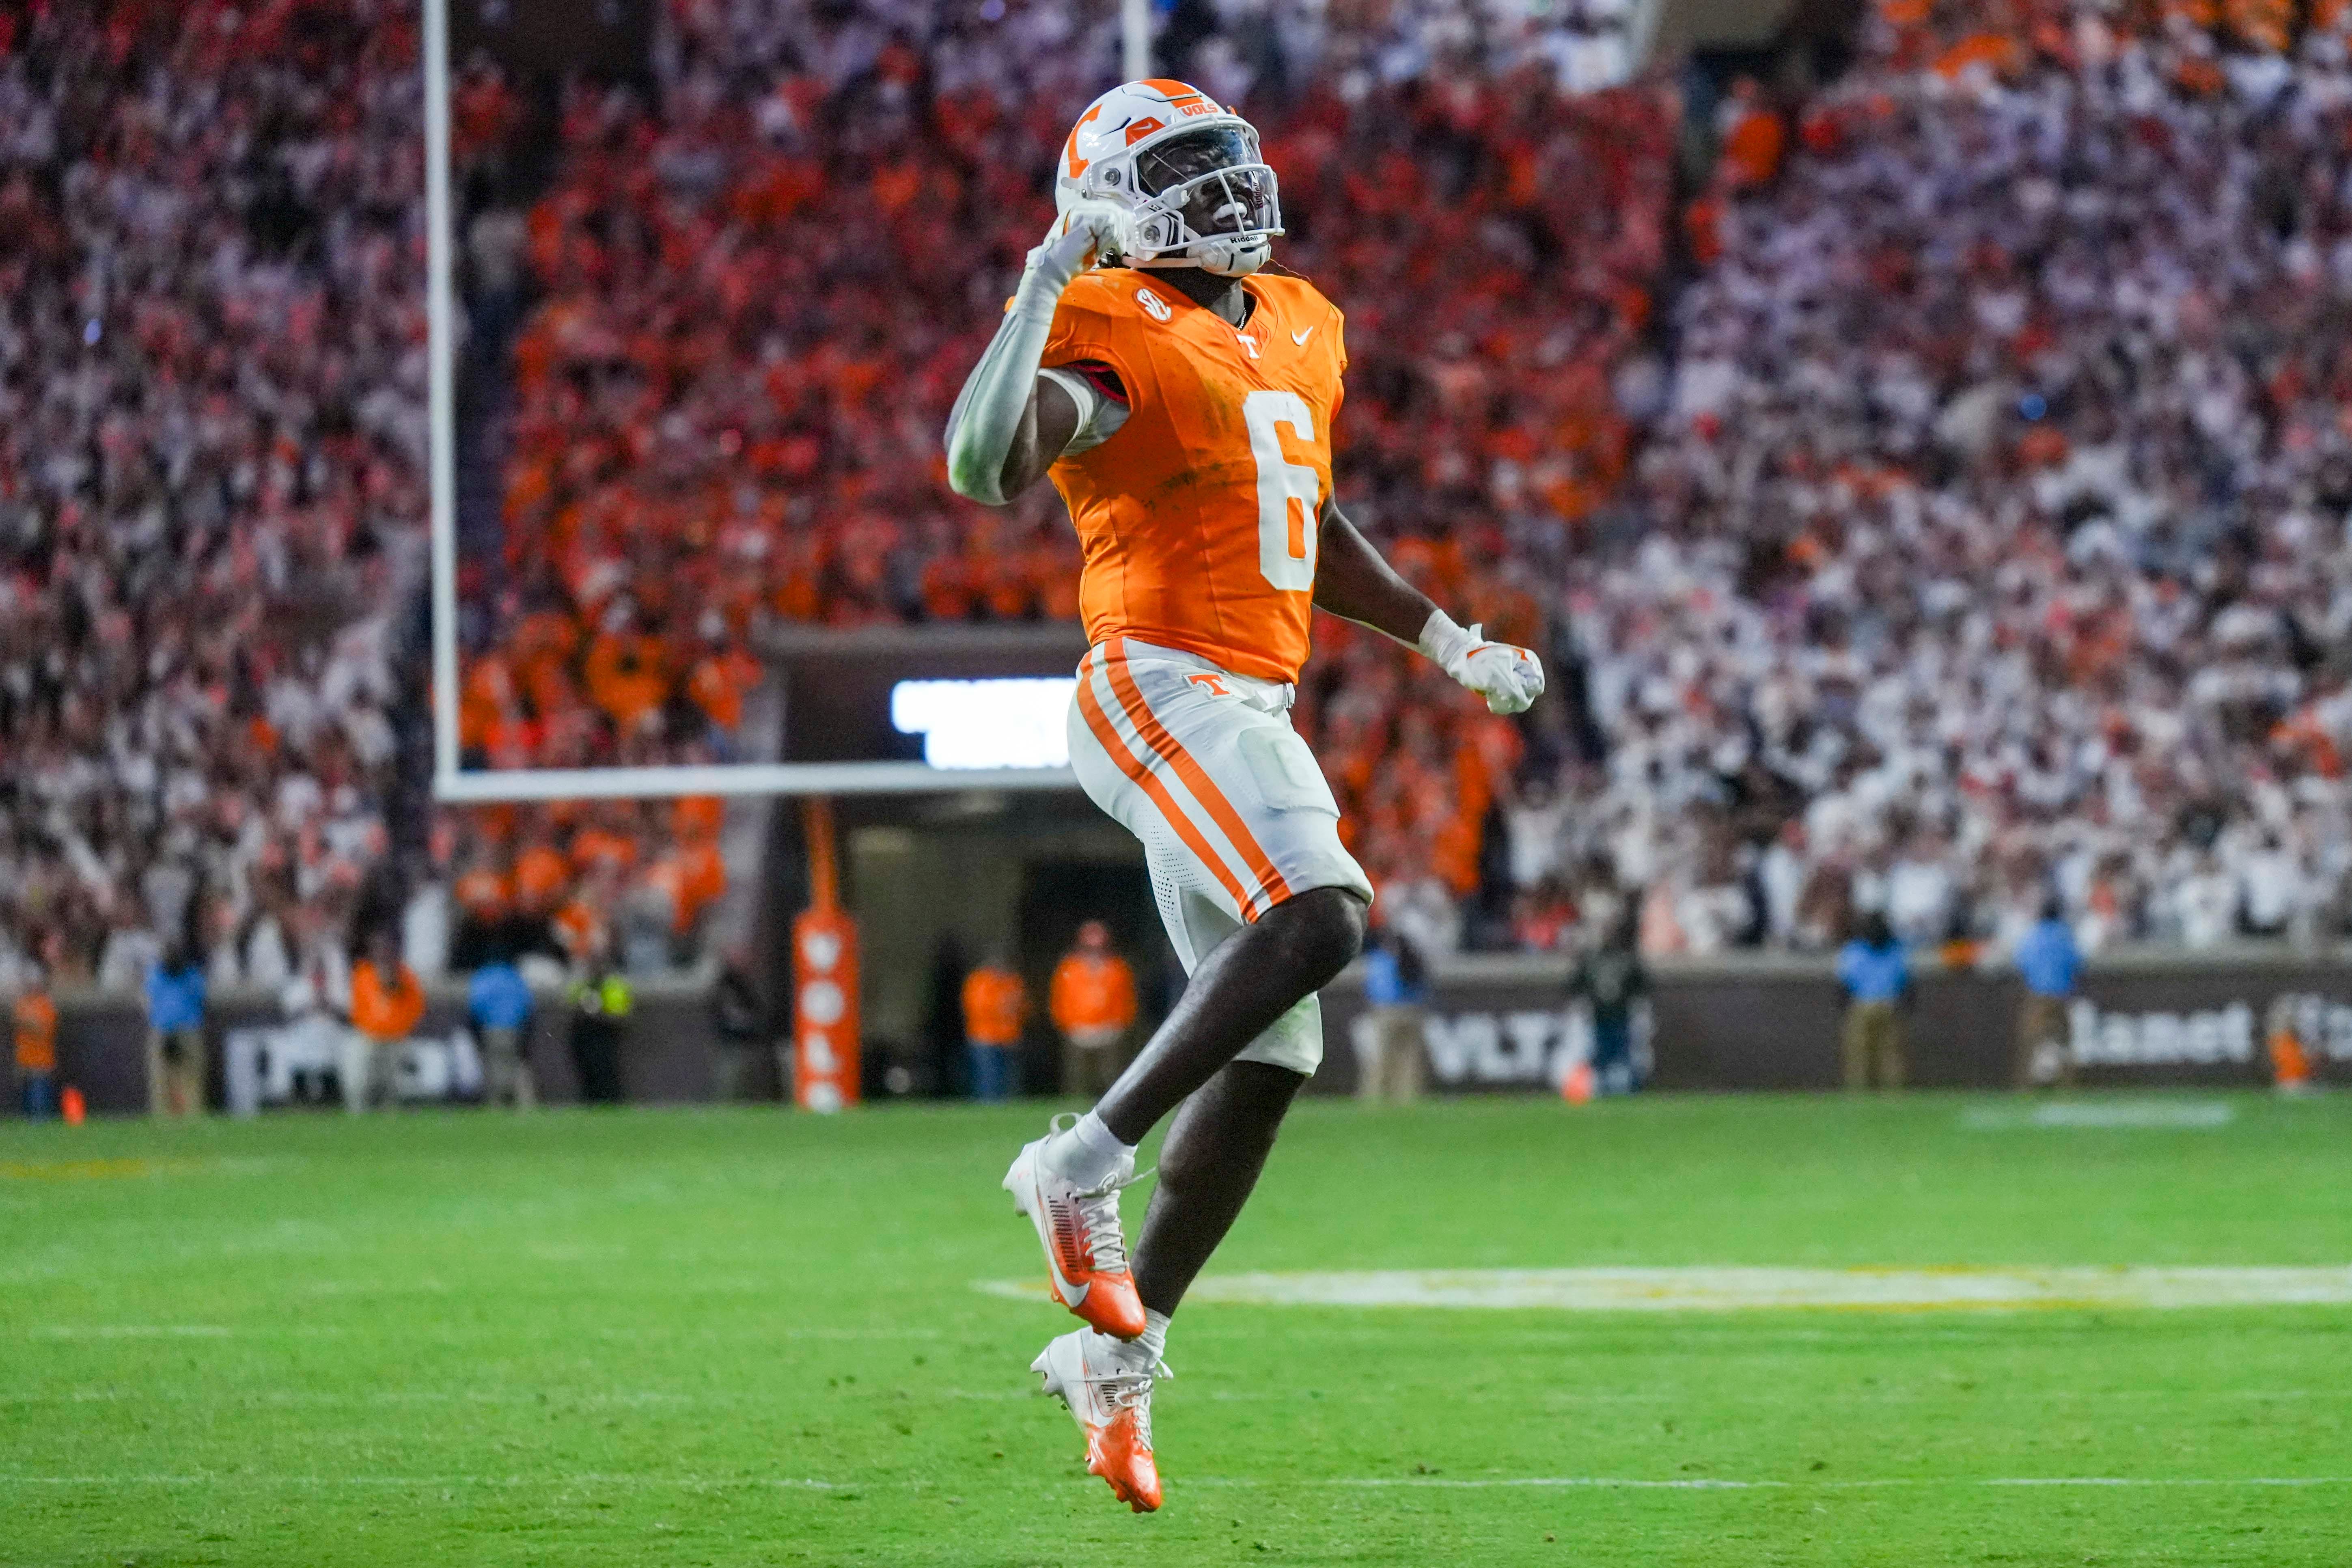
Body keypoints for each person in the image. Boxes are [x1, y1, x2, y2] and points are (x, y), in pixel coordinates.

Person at [946, 78, 1544, 1514]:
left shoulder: (1296, 319)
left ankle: (1123, 1342)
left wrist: (1442, 638)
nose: (1227, 187)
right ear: (1116, 205)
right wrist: (1042, 277)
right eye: (1189, 168)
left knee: (1273, 1056)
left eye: (1230, 158)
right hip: (1157, 681)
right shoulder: (1106, 322)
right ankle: (1073, 1160)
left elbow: (1303, 507)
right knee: (1324, 912)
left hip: (1244, 699)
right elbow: (986, 460)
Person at [1049, 921, 1138, 1098]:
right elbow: (1060, 999)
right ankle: (1076, 1113)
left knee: (1111, 1078)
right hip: (1079, 1032)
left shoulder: (1118, 968)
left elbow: (1127, 999)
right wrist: (1068, 1025)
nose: (1095, 952)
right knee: (1078, 1080)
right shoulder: (1069, 968)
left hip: (1109, 1032)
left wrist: (1120, 1025)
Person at [346, 928, 426, 1113]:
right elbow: (357, 1013)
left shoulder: (406, 976)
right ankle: (358, 1108)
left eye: (387, 948)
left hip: (398, 1037)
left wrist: (396, 988)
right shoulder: (363, 975)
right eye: (379, 948)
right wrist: (376, 1031)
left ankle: (393, 1108)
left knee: (400, 1060)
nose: (383, 953)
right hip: (369, 1036)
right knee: (357, 1054)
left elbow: (416, 1011)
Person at [1570, 909, 1648, 1096]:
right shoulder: (1591, 959)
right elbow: (1575, 985)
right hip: (1599, 1017)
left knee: (1626, 1057)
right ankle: (1603, 1089)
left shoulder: (1627, 959)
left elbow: (1642, 986)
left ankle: (1632, 1089)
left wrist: (1639, 1006)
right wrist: (1582, 1004)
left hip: (1622, 1016)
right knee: (1601, 1057)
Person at [1835, 911, 1909, 1091]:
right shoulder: (1896, 950)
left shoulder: (1853, 950)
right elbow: (1905, 981)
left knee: (1859, 1054)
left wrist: (1843, 1006)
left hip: (1862, 1005)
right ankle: (1893, 1093)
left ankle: (1858, 1092)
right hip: (1888, 1004)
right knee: (1890, 1053)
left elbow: (1844, 983)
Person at [2011, 896, 2079, 1089]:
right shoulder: (2065, 935)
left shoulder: (2033, 935)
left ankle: (2025, 1086)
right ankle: (2067, 1086)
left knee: (2030, 1041)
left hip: (2037, 995)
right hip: (2062, 995)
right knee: (2064, 1041)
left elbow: (2022, 962)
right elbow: (2077, 962)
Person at [1355, 927, 1429, 1102]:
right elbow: (1424, 987)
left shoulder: (1381, 960)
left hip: (1387, 1012)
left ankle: (1373, 1097)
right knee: (1409, 1060)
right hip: (1413, 1011)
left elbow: (1375, 989)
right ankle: (1408, 1098)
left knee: (1380, 1058)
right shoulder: (1414, 958)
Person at [144, 943, 209, 1117]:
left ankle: (191, 1115)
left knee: (190, 1076)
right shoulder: (157, 975)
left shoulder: (189, 975)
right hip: (167, 1031)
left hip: (185, 1030)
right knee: (162, 1079)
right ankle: (165, 1116)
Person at [468, 955, 538, 1110]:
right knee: (518, 1064)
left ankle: (496, 1104)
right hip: (516, 1028)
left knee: (494, 1066)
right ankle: (525, 1104)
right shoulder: (514, 976)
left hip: (491, 1027)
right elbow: (528, 1004)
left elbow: (476, 1005)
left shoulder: (484, 976)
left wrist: (478, 1029)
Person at [961, 953, 1029, 1104]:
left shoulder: (1012, 982)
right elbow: (978, 1008)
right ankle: (987, 1105)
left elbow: (1022, 1006)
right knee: (987, 1076)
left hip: (1009, 1037)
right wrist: (1002, 1007)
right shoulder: (980, 981)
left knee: (1008, 1077)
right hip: (985, 1037)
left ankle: (1008, 1105)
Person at [567, 960, 632, 1105]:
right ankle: (591, 1101)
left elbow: (620, 1017)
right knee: (587, 1073)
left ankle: (610, 1101)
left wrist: (597, 1014)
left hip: (605, 1037)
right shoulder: (582, 986)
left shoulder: (614, 986)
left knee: (606, 1072)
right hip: (584, 1038)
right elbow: (570, 1009)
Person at [12, 972, 59, 1119]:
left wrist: (27, 1021)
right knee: (27, 1104)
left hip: (41, 1063)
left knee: (39, 1101)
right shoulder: (23, 1004)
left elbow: (42, 1030)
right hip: (25, 1061)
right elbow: (18, 1023)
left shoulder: (46, 1006)